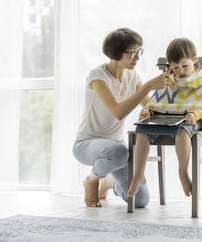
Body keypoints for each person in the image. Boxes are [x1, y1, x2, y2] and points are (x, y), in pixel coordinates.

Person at [72, 28, 169, 208]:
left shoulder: (133, 76)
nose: (137, 58)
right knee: (119, 151)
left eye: (139, 52)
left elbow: (148, 105)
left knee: (140, 201)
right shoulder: (98, 76)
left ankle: (110, 183)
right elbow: (118, 112)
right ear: (116, 53)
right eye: (132, 53)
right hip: (87, 144)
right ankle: (92, 179)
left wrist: (151, 110)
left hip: (116, 148)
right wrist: (147, 86)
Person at [127, 37, 202, 198]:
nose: (181, 71)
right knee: (142, 129)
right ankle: (139, 174)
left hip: (188, 121)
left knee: (182, 131)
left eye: (185, 65)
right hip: (164, 120)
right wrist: (149, 112)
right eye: (175, 67)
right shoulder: (167, 82)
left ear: (194, 59)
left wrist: (194, 115)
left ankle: (182, 172)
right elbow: (157, 103)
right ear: (170, 65)